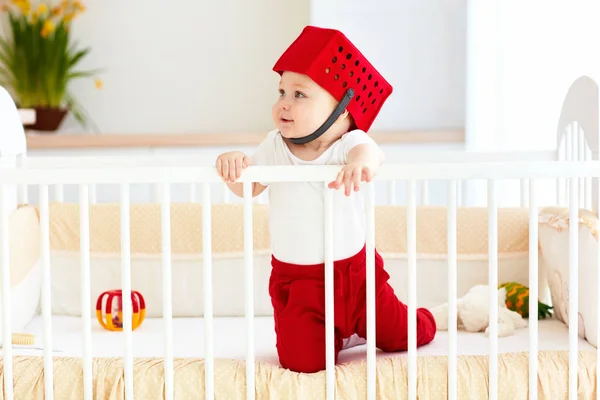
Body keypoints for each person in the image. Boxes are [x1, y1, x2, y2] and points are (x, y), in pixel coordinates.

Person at [215, 25, 436, 373]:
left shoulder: (348, 143)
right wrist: (235, 168)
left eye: (299, 95)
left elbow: (370, 154)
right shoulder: (274, 146)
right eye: (281, 92)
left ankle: (418, 319)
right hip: (300, 285)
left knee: (404, 335)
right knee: (303, 363)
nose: (283, 104)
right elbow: (249, 188)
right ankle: (340, 334)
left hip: (357, 276)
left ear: (342, 109)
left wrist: (360, 163)